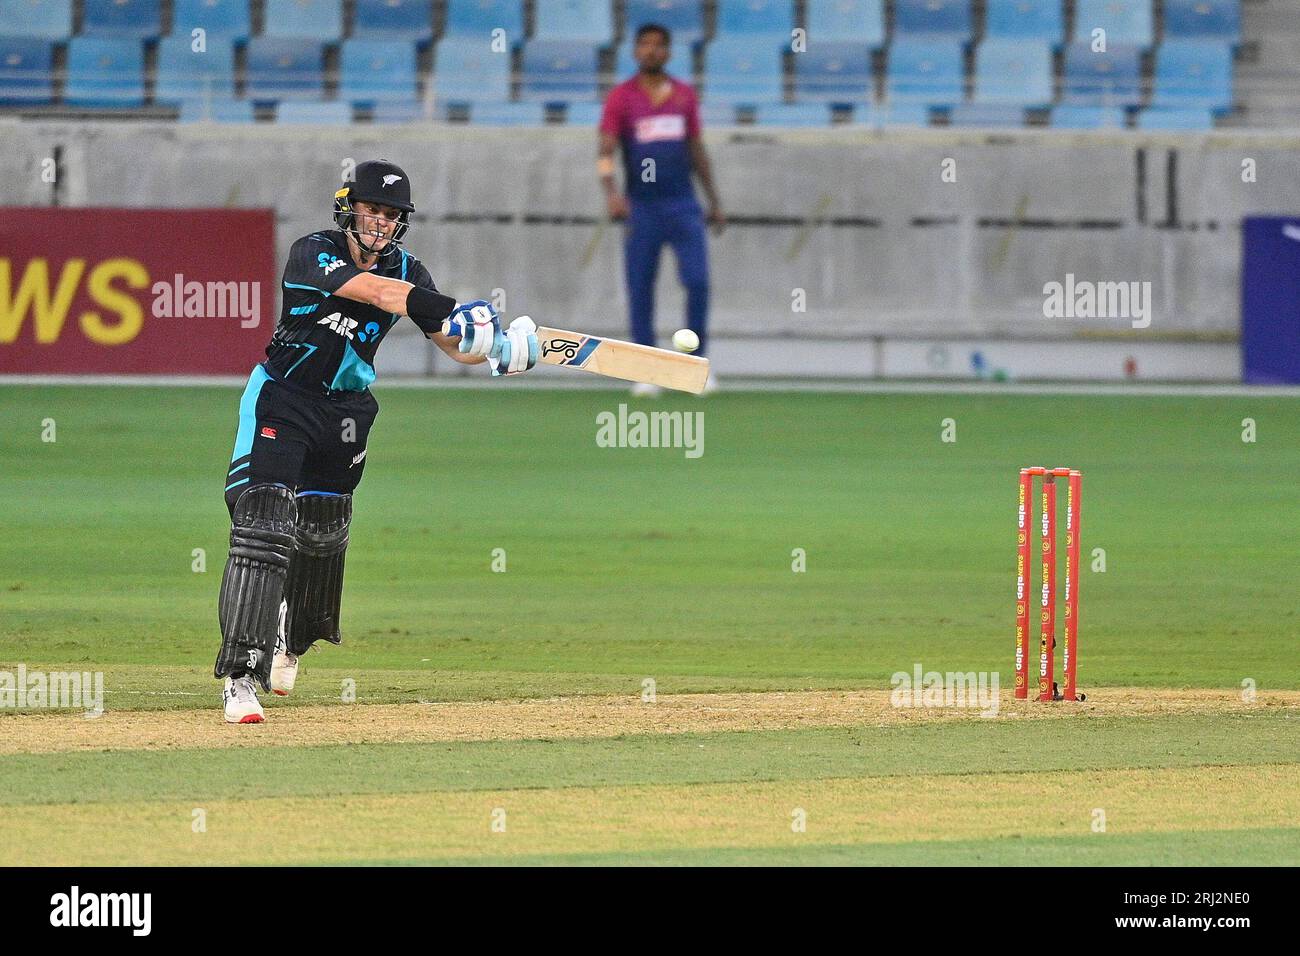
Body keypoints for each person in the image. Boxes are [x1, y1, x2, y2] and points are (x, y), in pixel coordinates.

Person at [215, 159, 538, 723]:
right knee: (263, 523)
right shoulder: (312, 250)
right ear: (349, 208)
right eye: (372, 210)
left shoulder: (411, 268)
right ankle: (241, 676)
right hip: (285, 399)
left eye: (391, 215)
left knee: (322, 534)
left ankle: (293, 637)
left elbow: (452, 344)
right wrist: (454, 307)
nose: (380, 222)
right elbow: (378, 293)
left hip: (348, 412)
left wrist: (500, 354)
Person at [599, 22, 723, 396]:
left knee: (698, 282)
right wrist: (611, 192)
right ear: (635, 51)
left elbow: (697, 151)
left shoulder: (684, 96)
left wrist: (713, 200)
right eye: (645, 45)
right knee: (641, 288)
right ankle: (645, 370)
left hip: (683, 204)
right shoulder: (622, 98)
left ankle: (695, 366)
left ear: (668, 53)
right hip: (642, 207)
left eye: (659, 45)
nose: (652, 51)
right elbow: (605, 154)